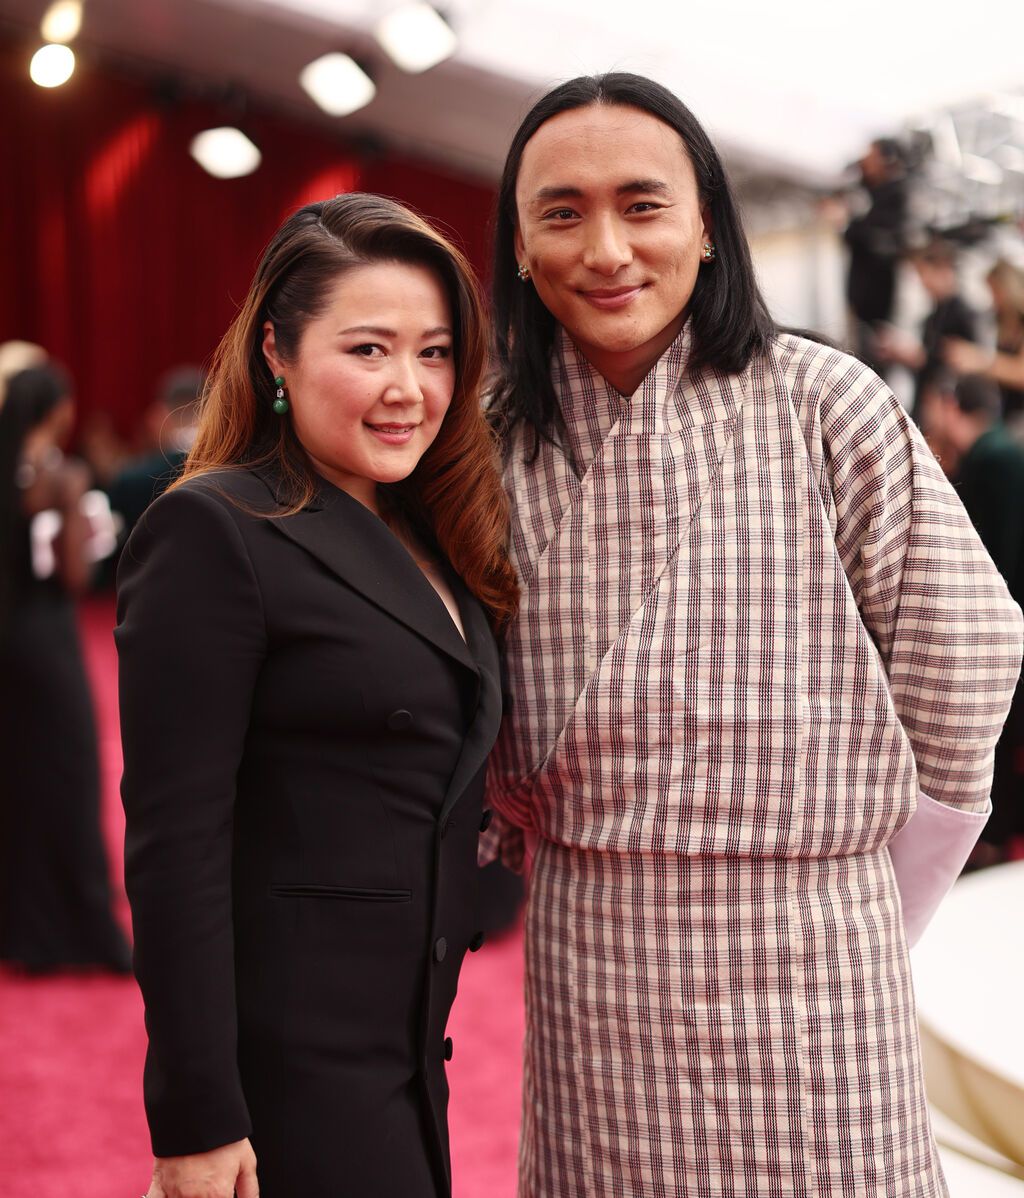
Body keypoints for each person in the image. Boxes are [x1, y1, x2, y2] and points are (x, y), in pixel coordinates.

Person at [484, 74, 1023, 1198]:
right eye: (562, 212)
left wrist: (887, 874)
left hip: (810, 935)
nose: (606, 248)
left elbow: (962, 642)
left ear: (708, 227)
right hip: (599, 936)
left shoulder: (823, 397)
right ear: (519, 246)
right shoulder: (490, 439)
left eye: (643, 204)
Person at [116, 193, 516, 1198]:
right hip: (289, 1067)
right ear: (276, 355)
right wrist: (198, 1113)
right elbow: (176, 841)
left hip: (411, 1048)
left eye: (433, 353)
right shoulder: (214, 528)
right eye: (369, 349)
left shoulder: (431, 530)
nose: (409, 387)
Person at [0, 363, 131, 973]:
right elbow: (77, 577)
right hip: (46, 641)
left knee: (18, 779)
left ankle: (22, 929)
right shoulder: (61, 476)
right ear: (57, 411)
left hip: (7, 643)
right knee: (70, 777)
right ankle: (79, 931)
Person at [919, 371, 1024, 858]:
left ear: (951, 407)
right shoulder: (1007, 450)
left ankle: (993, 835)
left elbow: (982, 556)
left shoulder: (988, 460)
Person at [874, 237, 977, 415]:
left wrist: (915, 357)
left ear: (944, 270)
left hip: (950, 409)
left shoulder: (962, 314)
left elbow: (954, 361)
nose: (922, 282)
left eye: (923, 273)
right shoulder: (935, 313)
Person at [839, 137, 909, 377]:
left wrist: (852, 227)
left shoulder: (896, 194)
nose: (865, 163)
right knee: (860, 353)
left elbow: (883, 241)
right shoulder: (865, 189)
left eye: (871, 157)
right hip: (861, 294)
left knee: (876, 357)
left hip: (879, 295)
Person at [945, 258, 1024, 425]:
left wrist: (979, 361)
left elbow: (1020, 373)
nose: (993, 299)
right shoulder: (1000, 322)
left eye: (995, 291)